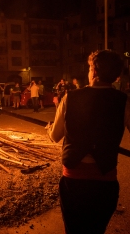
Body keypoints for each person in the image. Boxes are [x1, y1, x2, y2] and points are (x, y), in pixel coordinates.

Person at [46, 50, 130, 234]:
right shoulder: (123, 101)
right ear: (115, 75)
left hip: (74, 182)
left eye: (90, 68)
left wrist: (49, 129)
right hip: (105, 183)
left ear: (94, 72)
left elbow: (55, 136)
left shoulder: (71, 97)